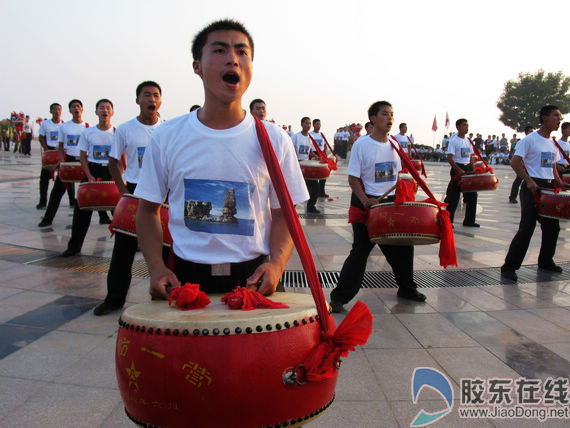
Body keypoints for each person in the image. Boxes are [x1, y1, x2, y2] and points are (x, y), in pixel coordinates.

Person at [134, 19, 308, 300]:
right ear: (197, 66)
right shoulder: (167, 136)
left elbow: (283, 215)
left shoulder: (275, 139)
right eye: (219, 51)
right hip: (185, 280)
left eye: (242, 51)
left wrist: (276, 265)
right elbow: (147, 211)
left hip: (255, 279)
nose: (233, 59)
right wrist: (156, 267)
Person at [329, 101, 426, 314]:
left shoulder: (394, 144)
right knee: (360, 252)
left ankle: (407, 288)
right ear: (373, 118)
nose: (390, 118)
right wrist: (365, 201)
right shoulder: (362, 145)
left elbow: (398, 176)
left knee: (402, 247)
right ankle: (339, 297)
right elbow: (353, 179)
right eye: (384, 114)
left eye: (392, 114)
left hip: (391, 204)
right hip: (369, 204)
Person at [94, 82, 166, 315]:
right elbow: (114, 161)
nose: (151, 99)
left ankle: (164, 296)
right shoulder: (125, 129)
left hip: (161, 193)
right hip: (135, 190)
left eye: (156, 95)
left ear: (160, 101)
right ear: (138, 100)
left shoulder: (167, 130)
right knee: (123, 249)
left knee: (164, 248)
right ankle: (114, 298)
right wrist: (123, 191)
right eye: (147, 95)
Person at [501, 106, 567, 281]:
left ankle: (546, 261)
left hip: (549, 189)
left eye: (559, 117)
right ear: (544, 117)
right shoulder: (529, 140)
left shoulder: (552, 142)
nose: (558, 120)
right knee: (527, 228)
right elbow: (515, 162)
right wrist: (529, 181)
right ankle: (509, 267)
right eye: (556, 116)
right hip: (532, 189)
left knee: (552, 228)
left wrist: (558, 180)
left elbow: (551, 164)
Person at [61, 99, 115, 257]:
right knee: (81, 211)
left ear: (112, 112)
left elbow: (120, 157)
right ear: (96, 112)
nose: (104, 111)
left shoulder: (117, 133)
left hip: (110, 174)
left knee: (119, 212)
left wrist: (117, 178)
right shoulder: (88, 132)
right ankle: (74, 246)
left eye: (107, 108)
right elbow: (83, 156)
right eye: (101, 108)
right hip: (91, 172)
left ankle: (132, 244)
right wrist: (89, 176)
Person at [38, 99, 90, 227]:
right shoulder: (64, 126)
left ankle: (104, 216)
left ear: (82, 109)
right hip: (69, 161)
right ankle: (48, 218)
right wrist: (62, 161)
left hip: (84, 162)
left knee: (92, 189)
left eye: (78, 106)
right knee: (57, 191)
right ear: (70, 110)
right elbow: (61, 146)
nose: (76, 109)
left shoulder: (88, 127)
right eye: (73, 107)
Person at [444, 118, 479, 227]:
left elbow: (471, 156)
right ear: (458, 127)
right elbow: (450, 157)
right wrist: (458, 170)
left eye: (467, 125)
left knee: (472, 195)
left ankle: (469, 220)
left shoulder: (468, 140)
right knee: (453, 196)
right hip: (458, 167)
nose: (466, 127)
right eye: (464, 125)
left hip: (467, 168)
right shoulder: (454, 140)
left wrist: (472, 168)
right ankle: (449, 221)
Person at [37, 103, 64, 209]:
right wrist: (47, 150)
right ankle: (42, 201)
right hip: (50, 152)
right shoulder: (45, 124)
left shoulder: (64, 125)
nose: (56, 111)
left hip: (60, 152)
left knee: (66, 176)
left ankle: (72, 200)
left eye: (58, 109)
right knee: (44, 178)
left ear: (61, 111)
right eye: (54, 109)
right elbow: (41, 137)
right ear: (51, 111)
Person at [292, 117, 319, 213]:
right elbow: (290, 150)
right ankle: (291, 208)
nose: (308, 125)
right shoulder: (296, 137)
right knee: (297, 188)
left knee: (315, 187)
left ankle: (311, 206)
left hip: (307, 165)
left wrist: (317, 157)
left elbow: (310, 151)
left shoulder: (310, 138)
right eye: (306, 123)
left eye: (309, 123)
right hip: (297, 164)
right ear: (302, 124)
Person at [509, 126, 534, 203]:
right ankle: (512, 197)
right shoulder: (521, 142)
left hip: (529, 166)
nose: (531, 133)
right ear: (526, 132)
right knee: (518, 181)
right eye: (530, 131)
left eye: (532, 131)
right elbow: (516, 154)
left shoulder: (533, 142)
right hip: (522, 165)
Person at [310, 118, 330, 198]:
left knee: (323, 174)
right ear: (313, 125)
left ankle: (321, 192)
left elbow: (325, 145)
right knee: (314, 174)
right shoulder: (310, 134)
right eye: (317, 124)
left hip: (321, 154)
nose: (318, 126)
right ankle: (314, 192)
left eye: (319, 124)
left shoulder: (322, 134)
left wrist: (324, 153)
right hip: (314, 154)